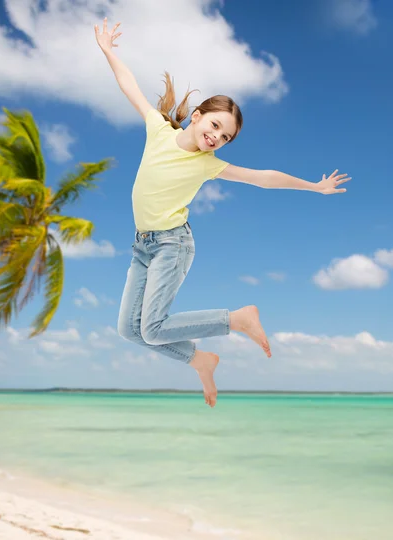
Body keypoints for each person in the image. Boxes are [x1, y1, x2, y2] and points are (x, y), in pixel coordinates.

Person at [95, 18, 350, 407]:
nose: (217, 137)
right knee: (130, 330)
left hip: (172, 245)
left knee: (154, 326)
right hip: (142, 246)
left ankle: (238, 318)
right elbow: (129, 85)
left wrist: (314, 186)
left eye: (225, 136)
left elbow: (263, 178)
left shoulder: (208, 164)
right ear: (196, 116)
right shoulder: (158, 130)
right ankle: (201, 360)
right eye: (215, 125)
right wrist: (109, 51)